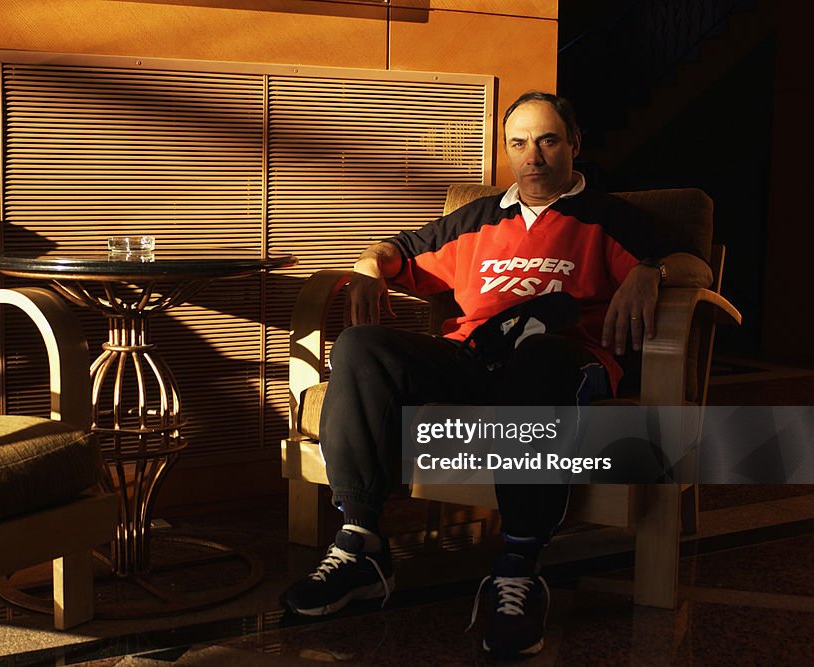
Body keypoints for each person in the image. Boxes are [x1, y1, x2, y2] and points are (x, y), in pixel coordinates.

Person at [282, 91, 713, 658]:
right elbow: (400, 249)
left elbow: (694, 264)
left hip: (561, 361)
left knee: (537, 358)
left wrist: (651, 271)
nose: (532, 155)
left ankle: (518, 566)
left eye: (547, 140)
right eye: (518, 143)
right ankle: (361, 546)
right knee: (362, 347)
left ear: (574, 144)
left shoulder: (609, 217)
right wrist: (367, 266)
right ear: (506, 150)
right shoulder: (478, 218)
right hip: (472, 358)